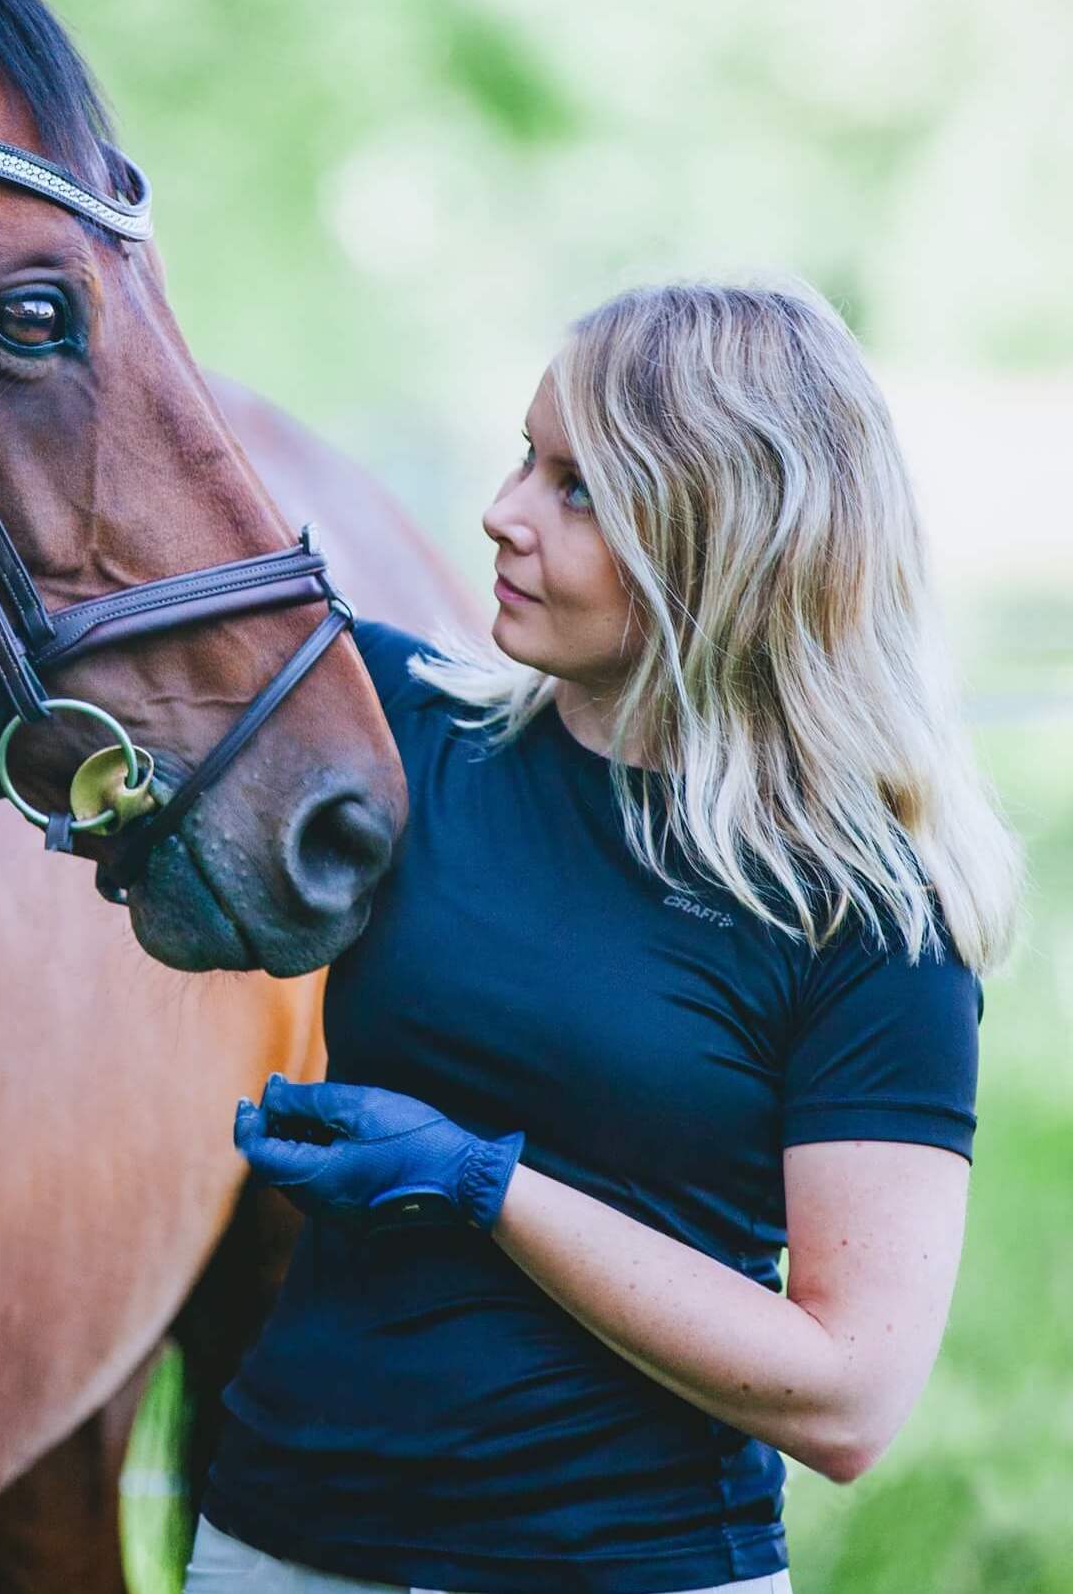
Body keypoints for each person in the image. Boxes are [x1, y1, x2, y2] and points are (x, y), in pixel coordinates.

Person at [190, 282, 1020, 1594]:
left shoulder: (865, 917)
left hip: (619, 1565)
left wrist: (488, 1188)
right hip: (278, 1545)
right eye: (527, 455)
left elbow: (850, 1397)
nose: (501, 511)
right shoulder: (402, 729)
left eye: (578, 489)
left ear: (725, 538)